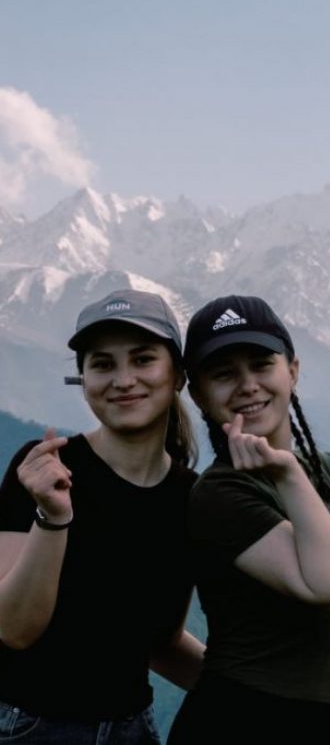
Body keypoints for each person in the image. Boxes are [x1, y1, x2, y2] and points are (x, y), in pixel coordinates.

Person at [168, 295, 330, 745]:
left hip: (323, 726)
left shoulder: (326, 472)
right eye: (224, 373)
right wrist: (287, 474)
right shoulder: (219, 494)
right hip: (237, 723)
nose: (248, 385)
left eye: (261, 365)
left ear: (292, 370)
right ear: (198, 395)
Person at [0, 289, 204, 744]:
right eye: (103, 364)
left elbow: (163, 643)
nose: (123, 380)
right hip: (30, 728)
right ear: (84, 379)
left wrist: (274, 704)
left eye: (143, 359)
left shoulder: (190, 498)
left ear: (177, 376)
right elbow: (14, 628)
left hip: (133, 729)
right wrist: (53, 515)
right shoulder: (42, 470)